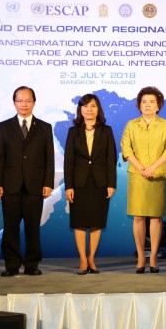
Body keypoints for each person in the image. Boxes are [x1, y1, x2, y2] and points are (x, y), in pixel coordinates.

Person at [0, 86, 55, 277]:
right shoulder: (4, 127)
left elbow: (49, 158)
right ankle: (11, 265)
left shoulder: (44, 127)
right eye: (20, 101)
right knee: (10, 228)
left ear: (34, 103)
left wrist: (48, 183)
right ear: (14, 103)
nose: (24, 104)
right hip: (10, 185)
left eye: (28, 100)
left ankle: (31, 265)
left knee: (32, 228)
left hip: (35, 186)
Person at [121, 86, 166, 274]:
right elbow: (126, 149)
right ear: (139, 105)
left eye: (152, 102)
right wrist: (141, 168)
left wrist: (152, 168)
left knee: (156, 217)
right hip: (137, 175)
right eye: (144, 102)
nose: (148, 105)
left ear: (158, 105)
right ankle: (140, 257)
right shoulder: (131, 125)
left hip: (158, 175)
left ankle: (153, 257)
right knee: (138, 216)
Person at [64, 94, 117, 275]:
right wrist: (69, 186)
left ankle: (92, 259)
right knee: (79, 222)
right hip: (78, 184)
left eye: (93, 106)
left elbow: (111, 158)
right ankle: (82, 260)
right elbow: (69, 161)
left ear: (98, 109)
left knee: (96, 222)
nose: (89, 109)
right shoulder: (73, 131)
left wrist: (111, 183)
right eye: (85, 106)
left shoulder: (106, 131)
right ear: (80, 109)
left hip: (100, 183)